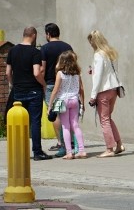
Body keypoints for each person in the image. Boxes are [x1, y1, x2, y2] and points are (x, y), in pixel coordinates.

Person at [6, 27, 53, 161]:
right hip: (33, 91)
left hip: (18, 91)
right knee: (35, 122)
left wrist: (12, 84)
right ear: (33, 35)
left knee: (20, 122)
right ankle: (37, 152)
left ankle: (19, 152)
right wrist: (43, 84)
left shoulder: (12, 51)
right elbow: (36, 73)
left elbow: (8, 72)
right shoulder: (35, 52)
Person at [87, 30, 124, 158]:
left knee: (104, 120)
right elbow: (113, 72)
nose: (91, 45)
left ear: (94, 42)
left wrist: (93, 96)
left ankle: (109, 149)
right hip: (114, 88)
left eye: (91, 42)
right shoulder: (111, 53)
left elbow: (98, 77)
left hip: (103, 90)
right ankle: (119, 144)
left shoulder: (98, 55)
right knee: (108, 118)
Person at [41, 23, 74, 156]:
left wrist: (42, 84)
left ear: (48, 34)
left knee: (55, 114)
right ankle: (70, 141)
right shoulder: (67, 47)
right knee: (68, 114)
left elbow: (42, 68)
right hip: (67, 83)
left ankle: (61, 142)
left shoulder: (44, 48)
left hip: (50, 84)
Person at [47, 51, 86, 159]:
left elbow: (55, 90)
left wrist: (50, 105)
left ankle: (69, 152)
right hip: (74, 100)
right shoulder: (77, 74)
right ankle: (82, 150)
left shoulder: (60, 74)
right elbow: (81, 89)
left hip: (63, 100)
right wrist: (82, 103)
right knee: (76, 126)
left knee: (65, 127)